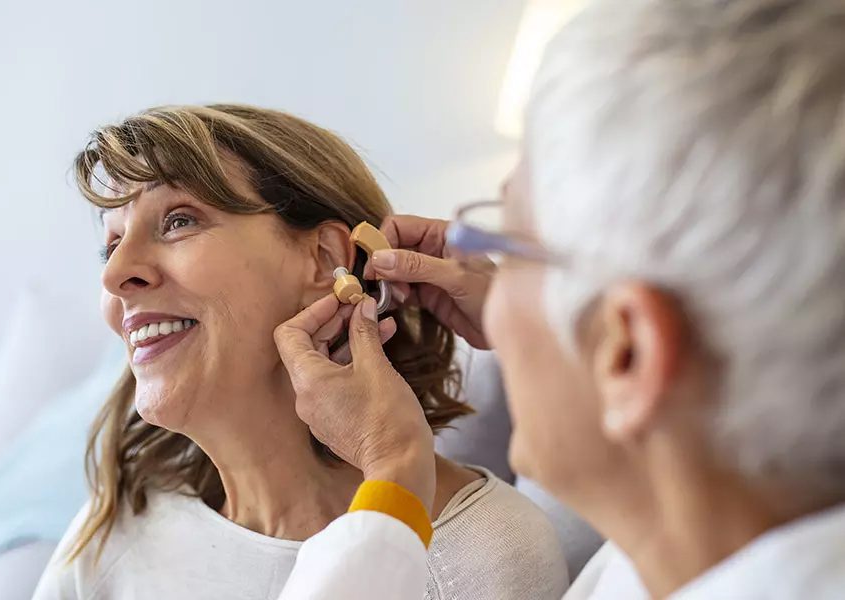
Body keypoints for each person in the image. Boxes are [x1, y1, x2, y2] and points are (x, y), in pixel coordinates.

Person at [272, 0, 845, 598]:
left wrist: (391, 470)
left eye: (511, 247)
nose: (487, 293)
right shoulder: (680, 543)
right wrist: (559, 344)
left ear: (626, 353)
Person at [31, 104, 568, 599]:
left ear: (325, 259)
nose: (115, 274)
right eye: (111, 244)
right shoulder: (113, 530)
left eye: (178, 220)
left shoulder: (482, 554)